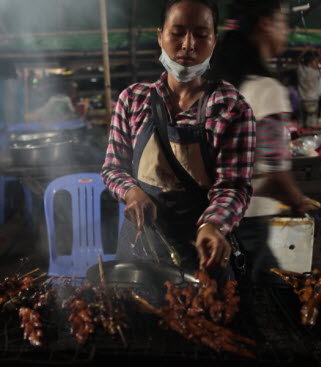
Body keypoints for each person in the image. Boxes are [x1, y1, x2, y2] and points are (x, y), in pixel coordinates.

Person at [102, 0, 255, 274]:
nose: (188, 44)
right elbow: (114, 169)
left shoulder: (230, 107)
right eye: (178, 32)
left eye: (201, 34)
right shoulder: (133, 100)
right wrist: (132, 192)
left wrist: (213, 224)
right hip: (139, 251)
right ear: (160, 36)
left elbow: (234, 186)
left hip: (203, 254)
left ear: (214, 40)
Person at [211, 0, 311, 283]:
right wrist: (297, 201)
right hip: (249, 223)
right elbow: (276, 170)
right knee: (271, 296)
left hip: (216, 217)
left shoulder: (222, 84)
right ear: (266, 24)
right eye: (283, 22)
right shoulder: (267, 90)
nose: (286, 31)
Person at [297, 48, 321, 128]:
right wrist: (320, 55)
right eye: (316, 62)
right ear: (310, 63)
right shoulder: (315, 72)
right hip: (313, 100)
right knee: (311, 124)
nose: (317, 63)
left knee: (301, 122)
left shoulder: (301, 70)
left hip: (302, 100)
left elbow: (298, 61)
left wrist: (304, 50)